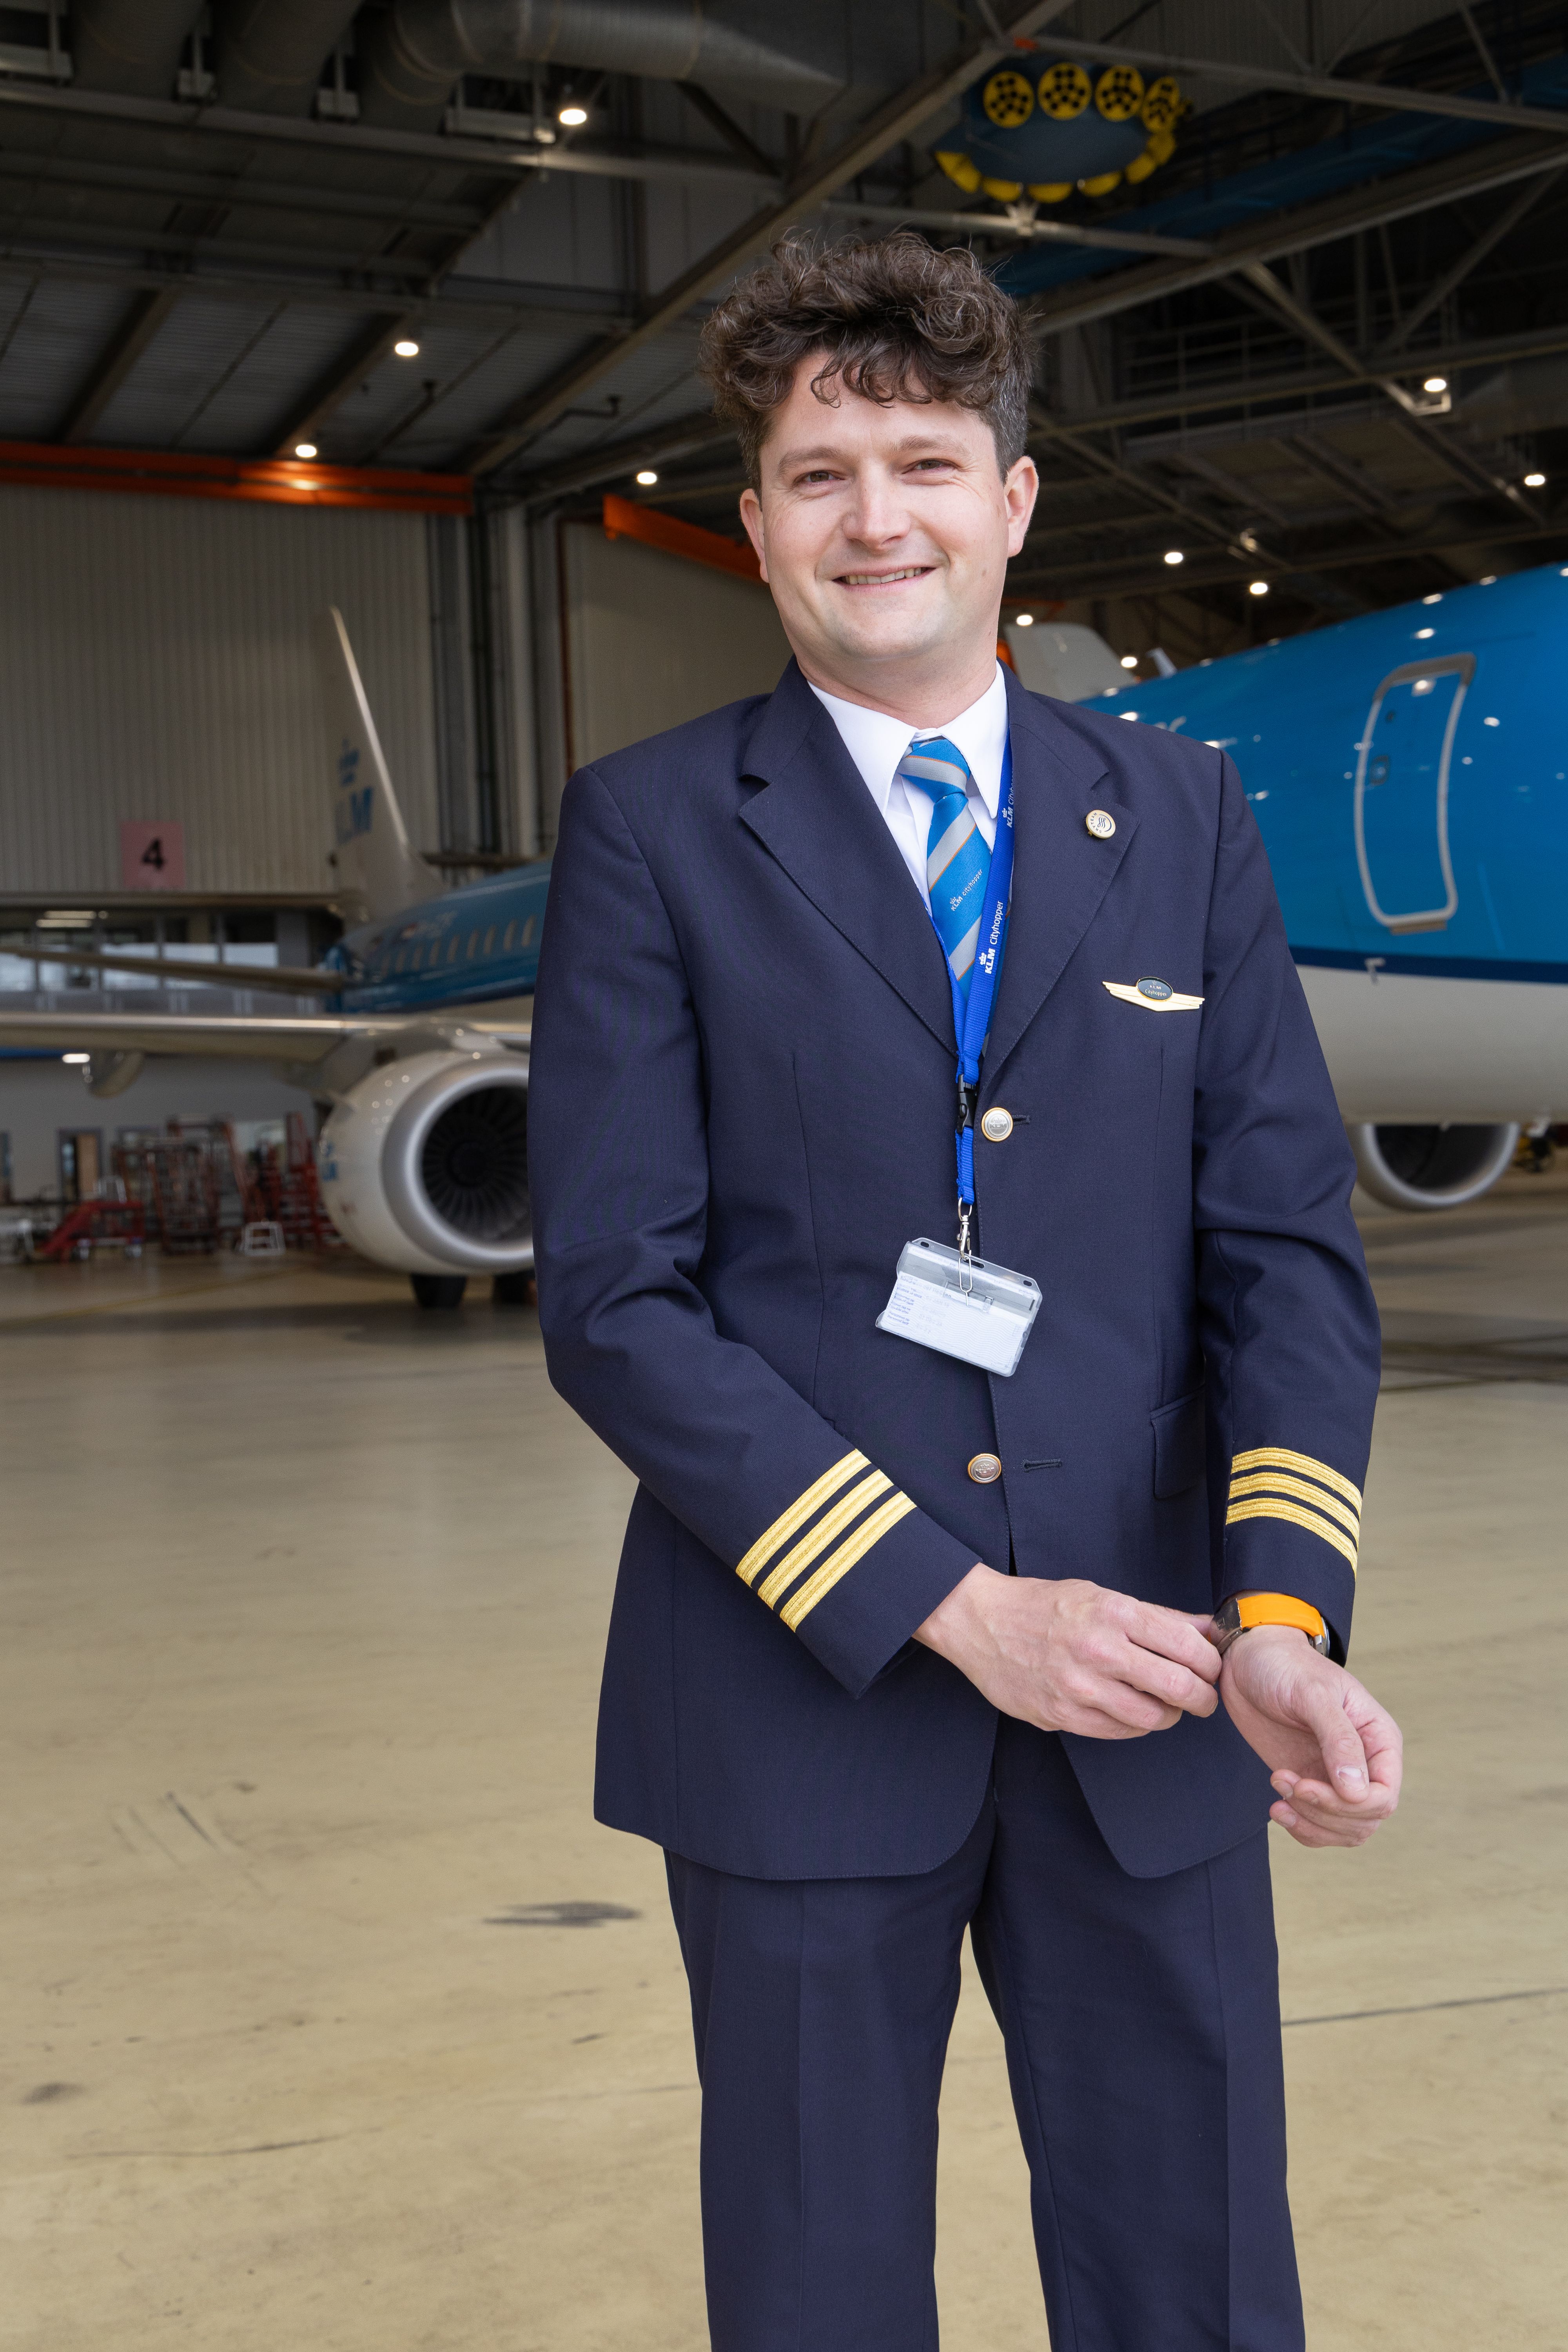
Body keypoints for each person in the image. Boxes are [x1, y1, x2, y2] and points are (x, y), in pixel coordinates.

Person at [528, 233, 1402, 2352]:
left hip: (1156, 1692)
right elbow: (617, 1299)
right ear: (754, 529)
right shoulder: (653, 830)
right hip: (800, 1712)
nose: (876, 517)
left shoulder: (1180, 818)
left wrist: (1279, 1624)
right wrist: (950, 1603)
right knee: (821, 2291)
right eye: (819, 474)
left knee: (1192, 2275)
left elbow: (1284, 1252)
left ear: (1014, 504)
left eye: (925, 461)